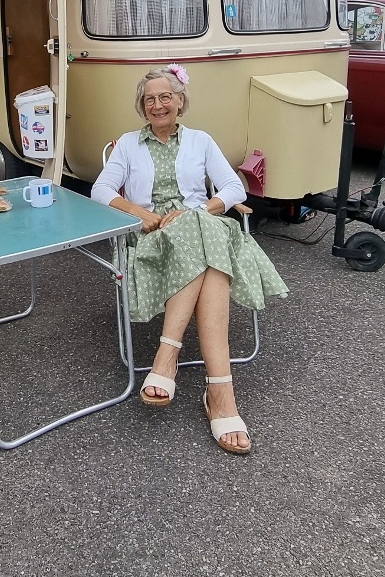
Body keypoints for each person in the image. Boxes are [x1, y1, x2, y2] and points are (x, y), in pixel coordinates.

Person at [91, 65, 288, 456]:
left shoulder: (200, 140)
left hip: (204, 228)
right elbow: (101, 189)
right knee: (209, 253)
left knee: (201, 228)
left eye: (166, 96)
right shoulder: (128, 145)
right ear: (142, 107)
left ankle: (168, 358)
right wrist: (139, 213)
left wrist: (207, 209)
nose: (158, 104)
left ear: (180, 102)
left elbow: (233, 186)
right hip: (155, 237)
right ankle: (220, 395)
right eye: (150, 99)